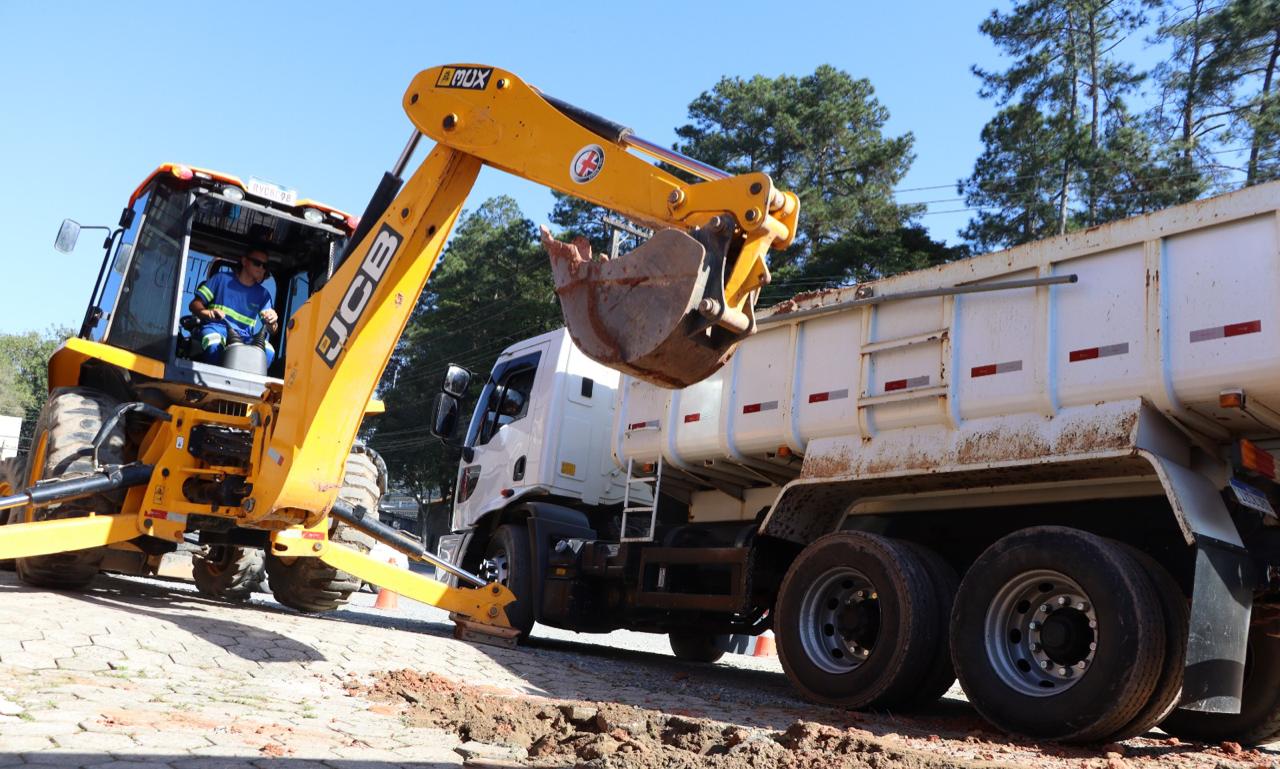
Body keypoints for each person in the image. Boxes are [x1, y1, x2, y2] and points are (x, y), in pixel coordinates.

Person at [189, 248, 279, 366]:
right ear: (244, 261)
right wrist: (208, 313)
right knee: (214, 344)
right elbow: (194, 304)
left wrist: (272, 321)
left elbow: (273, 330)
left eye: (265, 266)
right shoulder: (220, 279)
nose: (262, 268)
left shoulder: (263, 294)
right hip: (215, 328)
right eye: (257, 263)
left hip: (245, 337)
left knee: (269, 351)